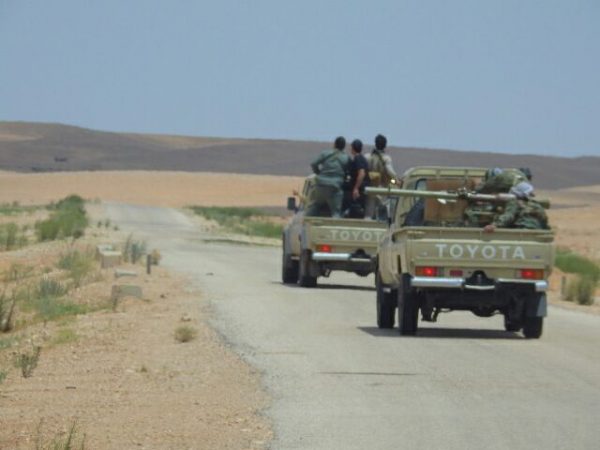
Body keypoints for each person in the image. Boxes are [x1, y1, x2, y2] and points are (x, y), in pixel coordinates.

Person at [305, 136, 350, 218]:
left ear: (334, 144)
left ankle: (305, 222)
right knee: (336, 212)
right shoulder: (346, 158)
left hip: (320, 184)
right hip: (335, 187)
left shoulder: (325, 153)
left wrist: (318, 173)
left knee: (315, 205)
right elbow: (348, 171)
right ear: (344, 146)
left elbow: (313, 164)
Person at [484, 181, 549, 232]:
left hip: (522, 231)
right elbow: (544, 222)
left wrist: (494, 225)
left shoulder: (514, 202)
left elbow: (508, 216)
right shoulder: (537, 205)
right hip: (536, 232)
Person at [365, 134, 397, 219]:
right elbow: (391, 174)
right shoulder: (386, 159)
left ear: (375, 143)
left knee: (369, 214)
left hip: (370, 188)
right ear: (385, 145)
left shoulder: (367, 157)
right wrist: (396, 180)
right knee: (382, 215)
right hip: (382, 189)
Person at [343, 139, 370, 218]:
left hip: (359, 190)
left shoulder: (358, 158)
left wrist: (356, 188)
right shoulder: (362, 158)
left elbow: (361, 173)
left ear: (353, 148)